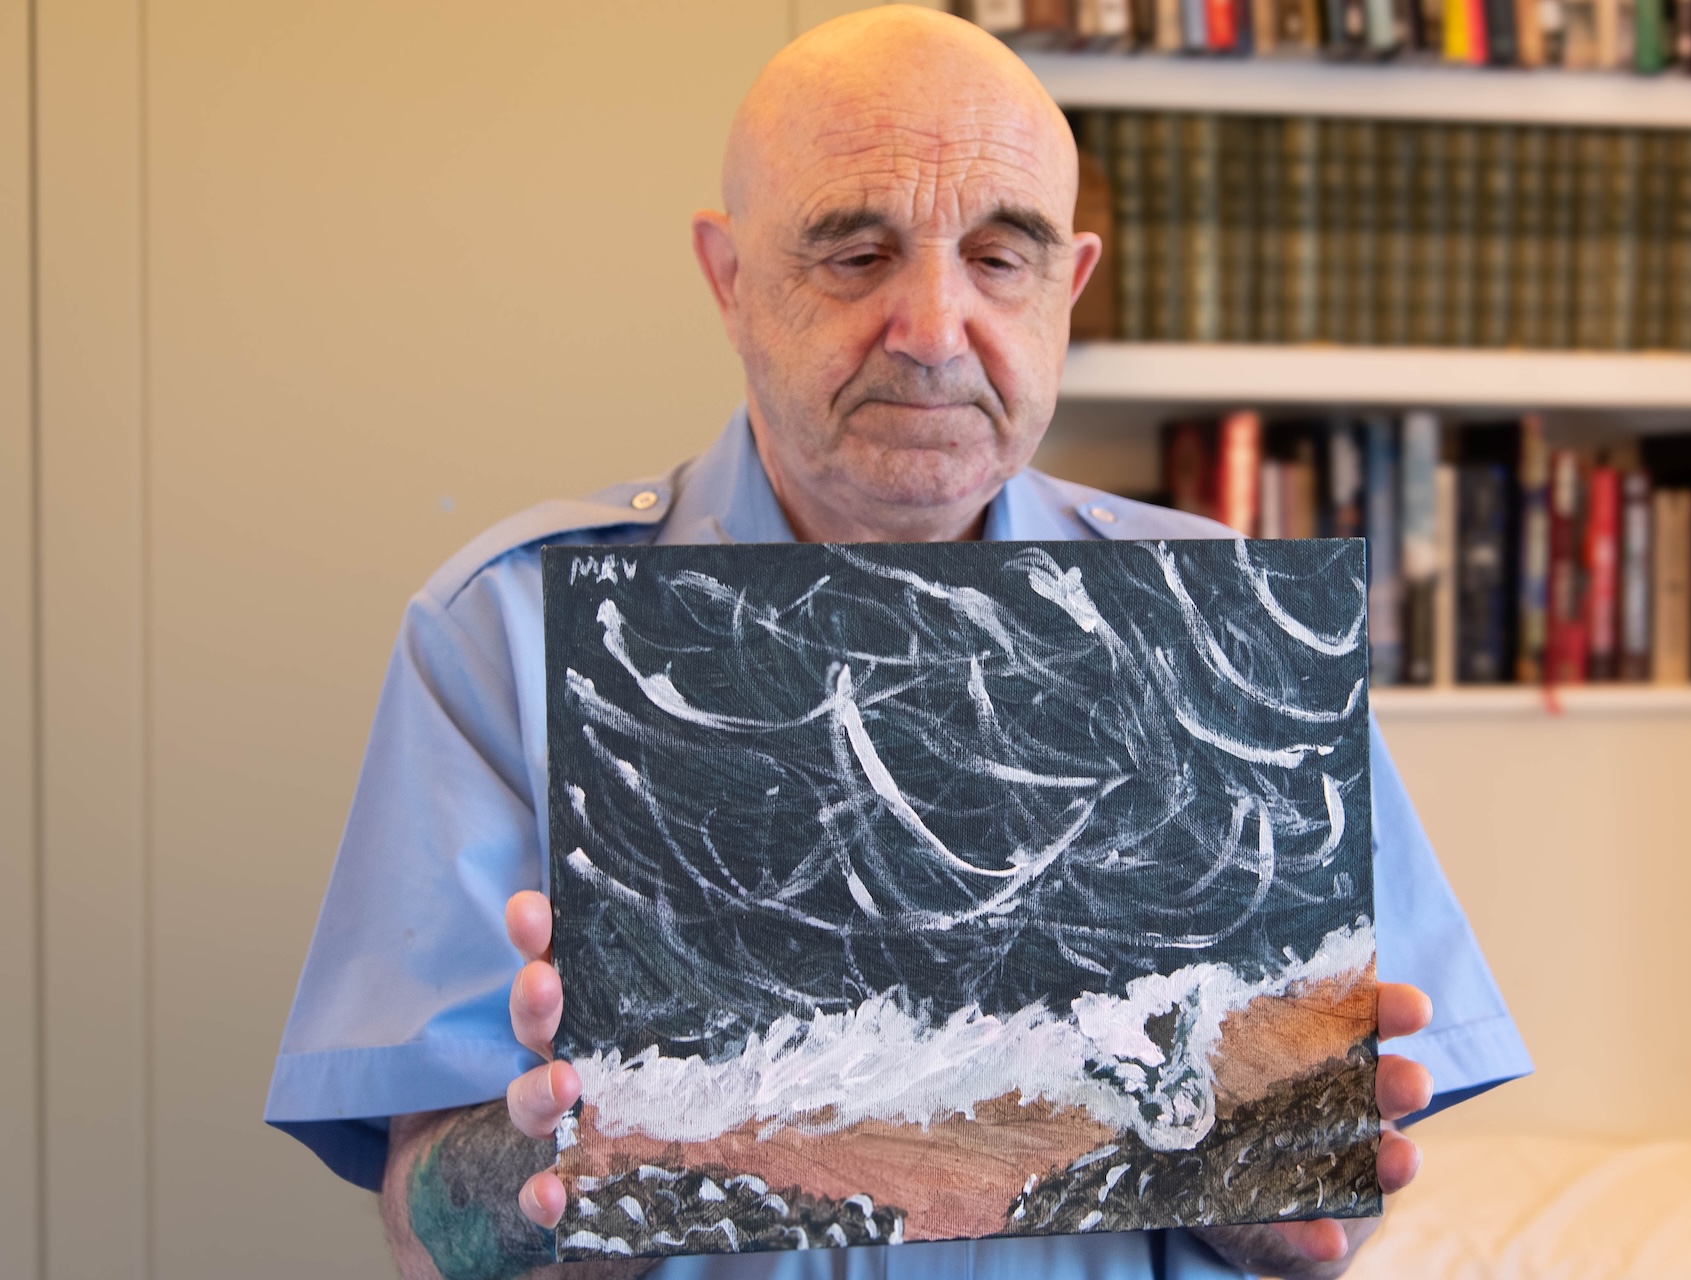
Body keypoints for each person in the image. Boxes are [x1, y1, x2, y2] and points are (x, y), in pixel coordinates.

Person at [265, 9, 1532, 1279]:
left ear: (1069, 285)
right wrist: (582, 1167)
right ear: (728, 278)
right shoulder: (506, 632)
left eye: (1001, 257)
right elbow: (430, 1226)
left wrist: (1277, 1180)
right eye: (858, 254)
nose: (933, 327)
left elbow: (1325, 1213)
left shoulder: (1231, 630)